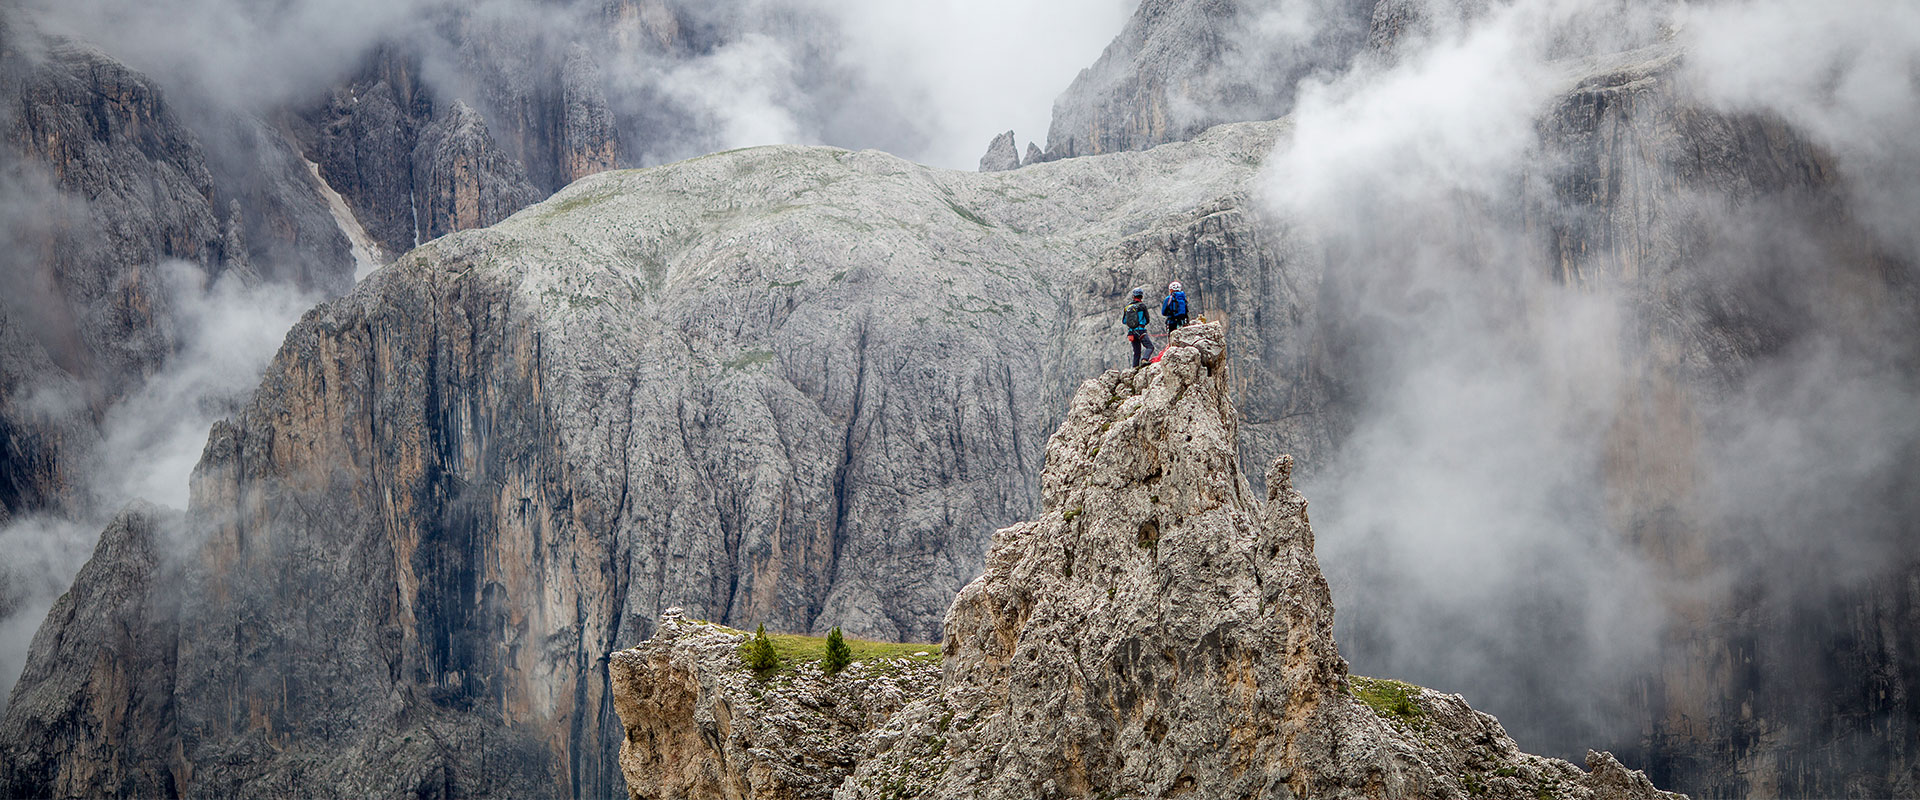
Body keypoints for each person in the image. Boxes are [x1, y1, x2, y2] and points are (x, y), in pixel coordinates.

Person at [1124, 287, 1156, 367]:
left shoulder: (1127, 307)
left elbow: (1124, 321)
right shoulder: (1142, 306)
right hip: (1141, 331)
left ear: (1133, 296)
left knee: (1136, 352)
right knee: (1150, 347)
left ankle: (1135, 368)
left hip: (1131, 332)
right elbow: (1147, 320)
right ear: (1141, 296)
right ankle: (1144, 360)